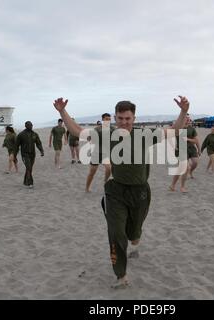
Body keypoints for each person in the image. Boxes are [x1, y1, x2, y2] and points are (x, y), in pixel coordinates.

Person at [53, 95, 189, 289]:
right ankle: (121, 275)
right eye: (120, 118)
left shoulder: (146, 134)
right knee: (116, 232)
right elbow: (77, 131)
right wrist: (62, 111)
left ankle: (136, 238)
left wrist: (183, 111)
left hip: (140, 192)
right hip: (115, 191)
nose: (124, 122)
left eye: (128, 118)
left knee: (133, 234)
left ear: (134, 118)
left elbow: (174, 130)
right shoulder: (106, 133)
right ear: (115, 118)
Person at [85, 113, 112, 193]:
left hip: (105, 154)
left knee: (109, 168)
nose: (108, 120)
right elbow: (89, 139)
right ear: (103, 120)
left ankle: (105, 181)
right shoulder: (97, 129)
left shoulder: (112, 129)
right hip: (96, 153)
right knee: (92, 173)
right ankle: (87, 187)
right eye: (106, 119)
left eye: (109, 119)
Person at [15, 121, 44, 188]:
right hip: (25, 154)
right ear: (25, 126)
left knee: (30, 168)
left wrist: (41, 151)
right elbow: (16, 146)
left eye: (31, 125)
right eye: (29, 125)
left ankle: (25, 181)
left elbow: (38, 143)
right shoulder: (21, 135)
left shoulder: (35, 134)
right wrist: (15, 155)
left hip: (32, 154)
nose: (30, 126)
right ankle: (30, 183)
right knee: (28, 167)